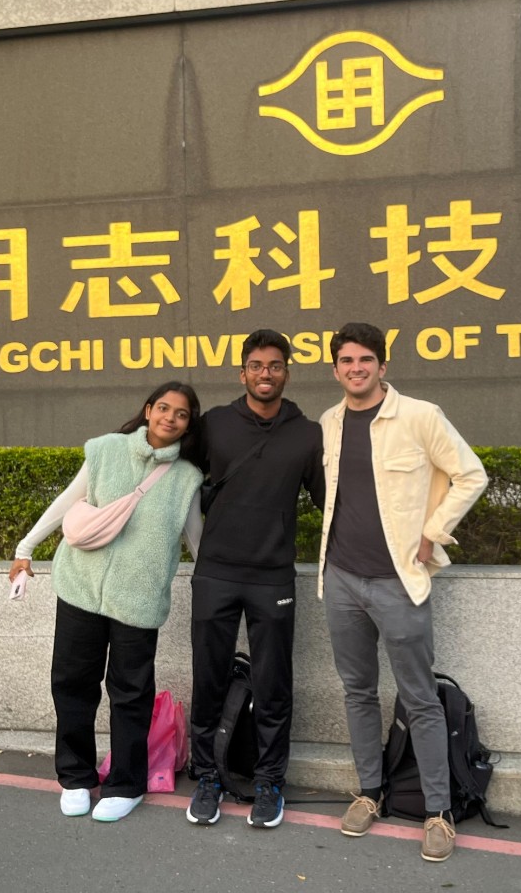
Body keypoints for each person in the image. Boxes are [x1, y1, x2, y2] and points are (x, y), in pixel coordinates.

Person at [316, 322, 488, 862]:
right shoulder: (329, 422)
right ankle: (369, 792)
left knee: (419, 697)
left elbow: (471, 474)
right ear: (336, 369)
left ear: (382, 366)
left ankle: (438, 812)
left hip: (398, 581)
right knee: (357, 690)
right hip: (341, 578)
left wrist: (433, 533)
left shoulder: (420, 415)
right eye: (346, 360)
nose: (356, 368)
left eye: (365, 359)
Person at [7, 381, 205, 823]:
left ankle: (126, 784)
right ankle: (75, 777)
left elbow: (197, 540)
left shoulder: (187, 478)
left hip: (138, 600)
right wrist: (25, 548)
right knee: (72, 685)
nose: (170, 418)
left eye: (182, 414)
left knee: (131, 694)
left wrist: (216, 585)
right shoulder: (106, 450)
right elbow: (67, 501)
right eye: (164, 408)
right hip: (80, 588)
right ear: (148, 410)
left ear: (189, 424)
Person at [186, 329, 325, 830]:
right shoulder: (214, 424)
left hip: (273, 578)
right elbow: (174, 476)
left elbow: (332, 503)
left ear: (287, 372)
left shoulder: (308, 434)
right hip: (215, 573)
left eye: (275, 365)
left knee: (273, 685)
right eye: (257, 365)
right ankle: (207, 776)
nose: (266, 373)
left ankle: (269, 782)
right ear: (242, 372)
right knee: (208, 679)